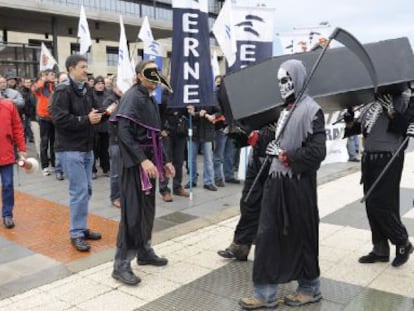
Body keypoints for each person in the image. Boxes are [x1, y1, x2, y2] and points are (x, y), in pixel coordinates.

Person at [240, 59, 326, 309]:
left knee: (302, 235)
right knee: (267, 235)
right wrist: (264, 138)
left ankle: (310, 288)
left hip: (298, 186)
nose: (281, 86)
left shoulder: (312, 111)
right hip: (277, 184)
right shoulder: (287, 110)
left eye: (285, 80)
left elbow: (317, 152)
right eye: (278, 82)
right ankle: (265, 293)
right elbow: (283, 139)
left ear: (297, 79)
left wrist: (285, 155)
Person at [111, 60, 175, 285]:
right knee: (132, 214)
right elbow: (124, 133)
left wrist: (164, 162)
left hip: (149, 164)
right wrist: (143, 160)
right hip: (134, 166)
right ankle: (120, 265)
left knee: (147, 212)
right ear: (139, 75)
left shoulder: (149, 99)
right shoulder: (132, 97)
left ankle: (144, 251)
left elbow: (156, 136)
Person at [343, 90, 414, 268]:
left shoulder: (404, 99)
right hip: (369, 159)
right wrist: (350, 119)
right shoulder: (369, 102)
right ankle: (380, 249)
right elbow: (358, 128)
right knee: (371, 206)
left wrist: (390, 110)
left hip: (389, 157)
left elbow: (405, 128)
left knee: (382, 204)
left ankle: (402, 242)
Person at [50, 54, 104, 252]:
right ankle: (76, 233)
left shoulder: (86, 90)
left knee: (86, 190)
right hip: (70, 149)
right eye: (82, 67)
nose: (85, 70)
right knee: (79, 191)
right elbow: (59, 119)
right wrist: (85, 120)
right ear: (71, 68)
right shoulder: (62, 90)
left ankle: (80, 228)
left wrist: (106, 112)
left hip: (86, 148)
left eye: (86, 66)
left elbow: (94, 113)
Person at [218, 125, 274, 260]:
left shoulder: (284, 108)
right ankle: (241, 245)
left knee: (272, 207)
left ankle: (272, 248)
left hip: (276, 163)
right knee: (248, 202)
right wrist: (242, 131)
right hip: (256, 160)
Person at [0, 97, 26, 228]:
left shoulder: (8, 106)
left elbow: (17, 127)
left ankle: (7, 214)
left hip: (6, 153)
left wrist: (22, 149)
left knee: (8, 185)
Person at [33, 69, 56, 176]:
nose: (53, 76)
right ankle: (45, 166)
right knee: (44, 142)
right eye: (51, 75)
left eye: (53, 74)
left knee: (54, 142)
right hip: (43, 118)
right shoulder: (40, 86)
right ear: (45, 76)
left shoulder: (54, 86)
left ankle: (54, 164)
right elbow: (35, 89)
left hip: (53, 117)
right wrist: (43, 80)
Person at [104, 75, 122, 208]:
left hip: (127, 141)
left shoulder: (128, 98)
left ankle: (124, 195)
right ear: (116, 87)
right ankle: (115, 196)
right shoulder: (110, 100)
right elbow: (106, 116)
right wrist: (113, 109)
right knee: (115, 172)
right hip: (115, 140)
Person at [90, 75, 110, 179]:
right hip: (95, 126)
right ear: (94, 85)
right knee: (94, 149)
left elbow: (110, 108)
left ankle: (106, 168)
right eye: (98, 83)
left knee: (105, 149)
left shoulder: (107, 94)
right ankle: (93, 170)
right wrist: (103, 110)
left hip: (105, 126)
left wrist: (102, 110)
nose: (101, 85)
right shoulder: (91, 95)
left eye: (102, 83)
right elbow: (92, 109)